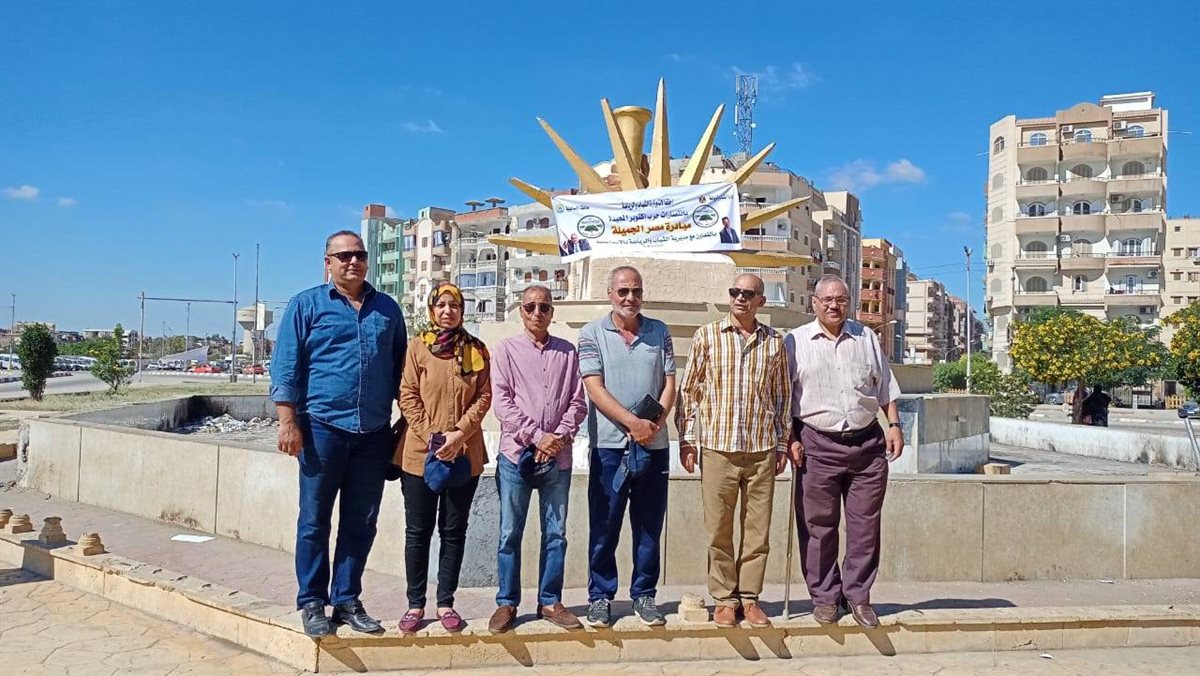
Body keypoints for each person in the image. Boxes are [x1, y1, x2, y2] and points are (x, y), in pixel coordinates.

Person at [271, 230, 407, 637]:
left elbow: (402, 369)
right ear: (327, 262)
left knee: (361, 522)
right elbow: (285, 366)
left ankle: (347, 599)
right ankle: (312, 601)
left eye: (359, 254)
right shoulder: (306, 305)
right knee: (314, 521)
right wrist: (287, 421)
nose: (353, 261)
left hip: (373, 433)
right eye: (344, 255)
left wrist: (407, 421)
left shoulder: (388, 309)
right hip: (321, 429)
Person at [784, 274, 903, 629]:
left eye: (841, 299)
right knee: (818, 526)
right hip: (816, 444)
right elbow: (783, 397)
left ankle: (858, 596)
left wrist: (894, 425)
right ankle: (824, 597)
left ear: (848, 303)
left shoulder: (866, 337)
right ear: (814, 303)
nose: (834, 305)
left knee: (865, 526)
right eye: (827, 299)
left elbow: (885, 386)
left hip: (867, 444)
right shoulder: (795, 341)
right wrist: (790, 438)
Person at [677, 274, 791, 628]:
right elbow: (690, 391)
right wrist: (688, 439)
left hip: (761, 448)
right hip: (718, 448)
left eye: (748, 293)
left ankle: (750, 598)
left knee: (757, 532)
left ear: (761, 301)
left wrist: (782, 443)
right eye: (735, 292)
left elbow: (782, 396)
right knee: (719, 530)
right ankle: (725, 599)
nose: (740, 298)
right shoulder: (707, 336)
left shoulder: (775, 342)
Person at [577, 265, 677, 627]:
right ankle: (600, 596)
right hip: (609, 447)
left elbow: (669, 383)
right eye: (622, 291)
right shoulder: (591, 333)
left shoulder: (660, 331)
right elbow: (594, 387)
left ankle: (644, 594)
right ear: (610, 294)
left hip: (653, 445)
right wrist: (632, 424)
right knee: (604, 525)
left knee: (649, 525)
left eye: (636, 291)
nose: (630, 298)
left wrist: (654, 425)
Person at [487, 286, 589, 633]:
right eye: (530, 306)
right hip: (516, 456)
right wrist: (536, 437)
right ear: (521, 310)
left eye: (544, 307)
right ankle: (506, 602)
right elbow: (502, 403)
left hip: (557, 459)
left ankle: (549, 600)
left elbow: (578, 402)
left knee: (556, 533)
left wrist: (556, 438)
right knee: (509, 533)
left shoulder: (567, 352)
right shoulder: (505, 350)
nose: (537, 313)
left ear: (551, 312)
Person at [396, 282, 492, 634]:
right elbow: (407, 395)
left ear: (462, 311)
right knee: (418, 531)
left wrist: (459, 435)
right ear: (432, 310)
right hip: (420, 455)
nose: (448, 311)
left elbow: (484, 396)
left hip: (464, 453)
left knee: (453, 530)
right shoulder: (418, 348)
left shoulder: (476, 350)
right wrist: (434, 437)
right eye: (442, 305)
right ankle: (415, 603)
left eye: (455, 306)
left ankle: (446, 602)